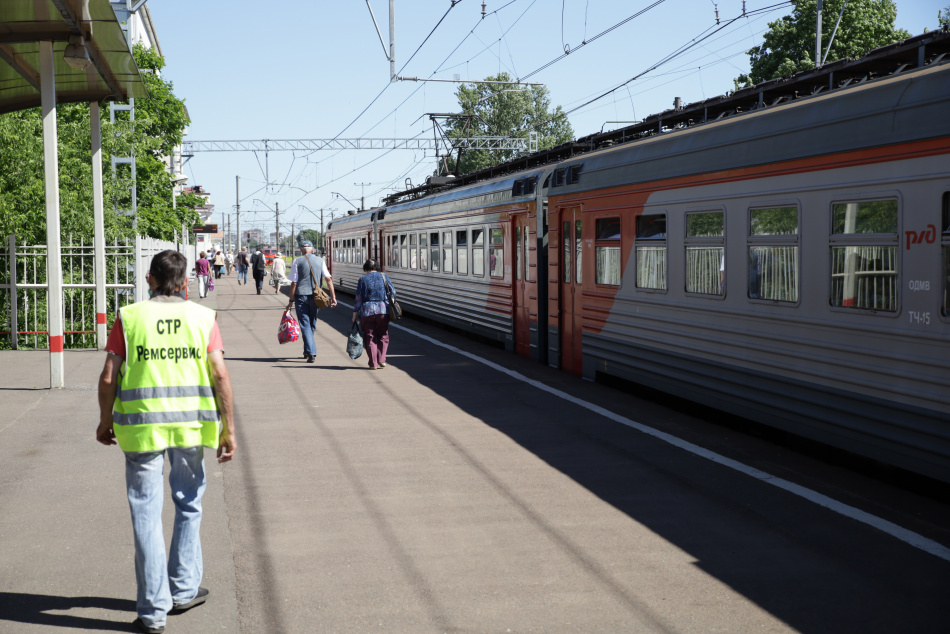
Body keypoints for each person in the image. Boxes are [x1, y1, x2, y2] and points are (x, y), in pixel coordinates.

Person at [96, 250, 236, 634]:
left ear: (149, 279)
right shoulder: (203, 317)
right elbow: (220, 374)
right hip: (191, 428)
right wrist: (229, 428)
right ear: (185, 282)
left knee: (146, 514)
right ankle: (184, 589)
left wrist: (105, 420)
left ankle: (153, 612)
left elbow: (109, 376)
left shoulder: (130, 317)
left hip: (141, 429)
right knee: (188, 504)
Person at [285, 240, 337, 363]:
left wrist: (291, 300)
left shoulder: (297, 261)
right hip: (316, 296)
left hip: (301, 296)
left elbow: (294, 283)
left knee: (305, 323)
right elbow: (328, 280)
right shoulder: (320, 261)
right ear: (312, 250)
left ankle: (311, 352)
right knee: (311, 323)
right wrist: (333, 297)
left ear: (302, 251)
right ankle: (307, 350)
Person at [351, 258, 395, 370]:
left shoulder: (362, 279)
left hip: (367, 311)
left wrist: (355, 313)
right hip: (383, 310)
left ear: (366, 268)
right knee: (383, 335)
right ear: (377, 267)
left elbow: (359, 298)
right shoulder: (384, 276)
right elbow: (393, 292)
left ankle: (373, 363)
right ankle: (381, 359)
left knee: (369, 337)